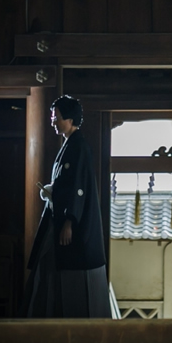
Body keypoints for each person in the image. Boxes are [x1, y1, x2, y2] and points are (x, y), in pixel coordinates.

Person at [22, 95, 113, 318]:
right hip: (60, 216)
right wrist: (54, 189)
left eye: (57, 117)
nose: (53, 121)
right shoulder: (69, 146)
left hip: (71, 222)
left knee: (76, 284)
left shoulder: (79, 146)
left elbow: (79, 187)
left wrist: (69, 221)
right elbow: (68, 184)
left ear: (70, 119)